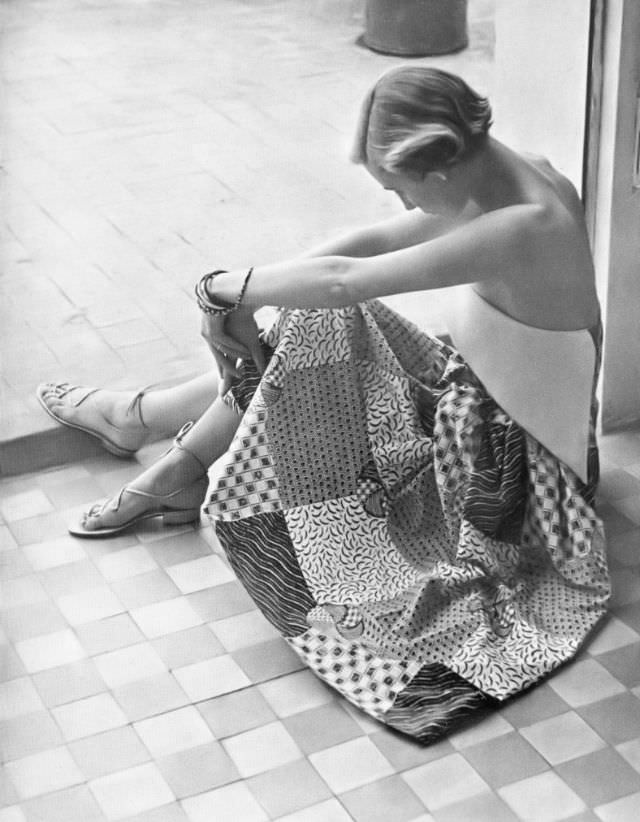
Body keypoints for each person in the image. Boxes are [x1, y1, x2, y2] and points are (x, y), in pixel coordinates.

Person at [37, 67, 609, 744]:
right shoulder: (504, 175)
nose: (400, 206)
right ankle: (159, 432)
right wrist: (245, 297)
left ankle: (152, 429)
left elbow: (346, 282)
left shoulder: (526, 225)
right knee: (306, 325)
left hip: (521, 487)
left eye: (399, 188)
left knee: (319, 322)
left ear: (444, 159)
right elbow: (361, 247)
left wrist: (224, 288)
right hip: (482, 411)